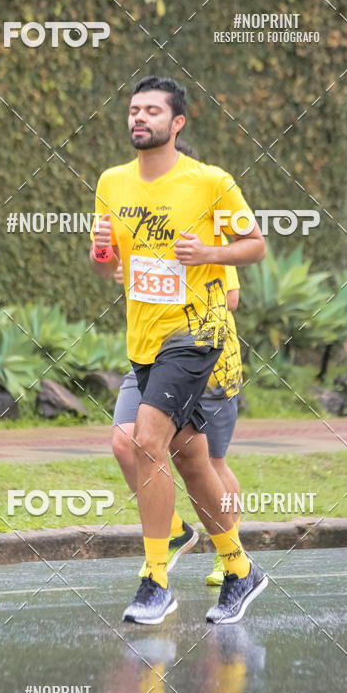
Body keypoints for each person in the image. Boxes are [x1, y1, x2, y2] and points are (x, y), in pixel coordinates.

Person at [90, 75, 266, 625]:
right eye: (133, 109)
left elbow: (255, 244)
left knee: (145, 441)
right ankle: (240, 568)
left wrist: (208, 251)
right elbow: (115, 257)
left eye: (151, 111)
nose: (139, 118)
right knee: (189, 459)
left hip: (197, 332)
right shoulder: (111, 182)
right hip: (144, 337)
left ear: (177, 123)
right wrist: (107, 260)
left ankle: (155, 580)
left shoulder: (210, 182)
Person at [110, 141, 243, 588]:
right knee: (127, 442)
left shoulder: (207, 222)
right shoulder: (133, 217)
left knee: (209, 462)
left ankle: (231, 555)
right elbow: (112, 267)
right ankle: (172, 532)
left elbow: (231, 295)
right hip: (148, 353)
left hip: (205, 355)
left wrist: (193, 263)